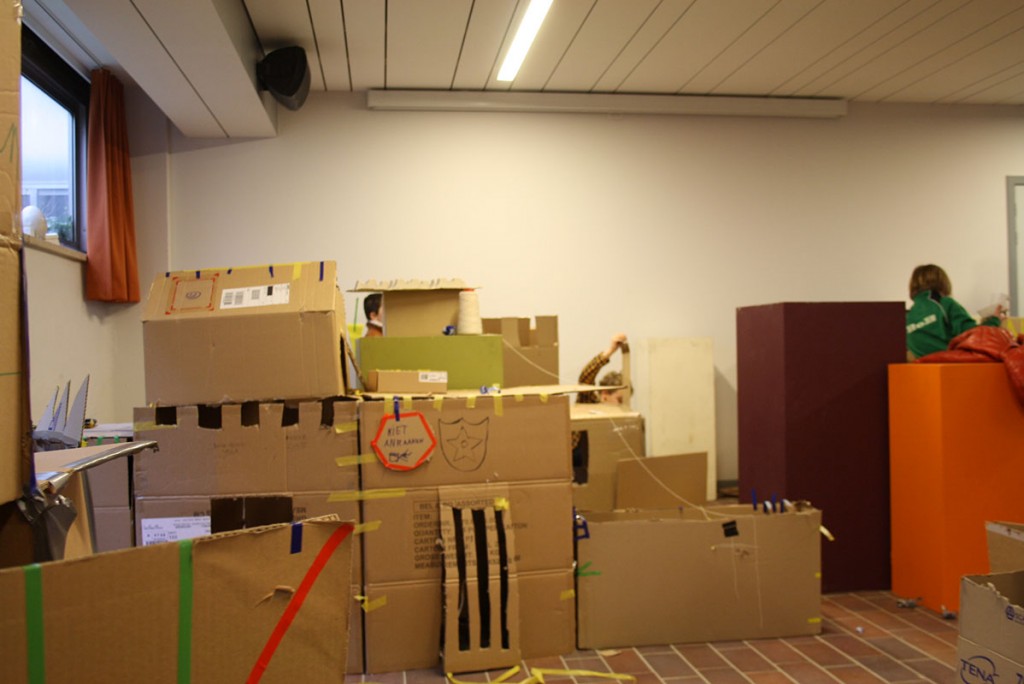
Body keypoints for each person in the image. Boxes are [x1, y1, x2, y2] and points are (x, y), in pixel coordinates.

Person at [906, 264, 1003, 359]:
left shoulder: (907, 317)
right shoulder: (944, 303)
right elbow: (974, 335)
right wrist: (995, 320)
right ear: (942, 282)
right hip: (954, 364)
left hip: (925, 367)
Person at [577, 333, 629, 404]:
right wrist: (611, 350)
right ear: (605, 395)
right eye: (620, 400)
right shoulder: (589, 402)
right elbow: (585, 377)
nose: (623, 405)